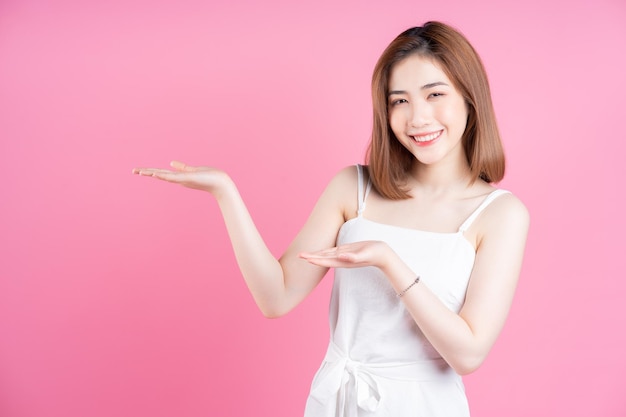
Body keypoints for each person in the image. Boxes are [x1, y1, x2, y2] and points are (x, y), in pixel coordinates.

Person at [133, 21, 529, 417]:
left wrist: (388, 261)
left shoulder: (499, 214)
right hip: (338, 401)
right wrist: (225, 193)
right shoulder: (353, 187)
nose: (418, 118)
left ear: (469, 99)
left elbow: (468, 354)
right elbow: (276, 296)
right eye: (399, 101)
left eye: (435, 94)